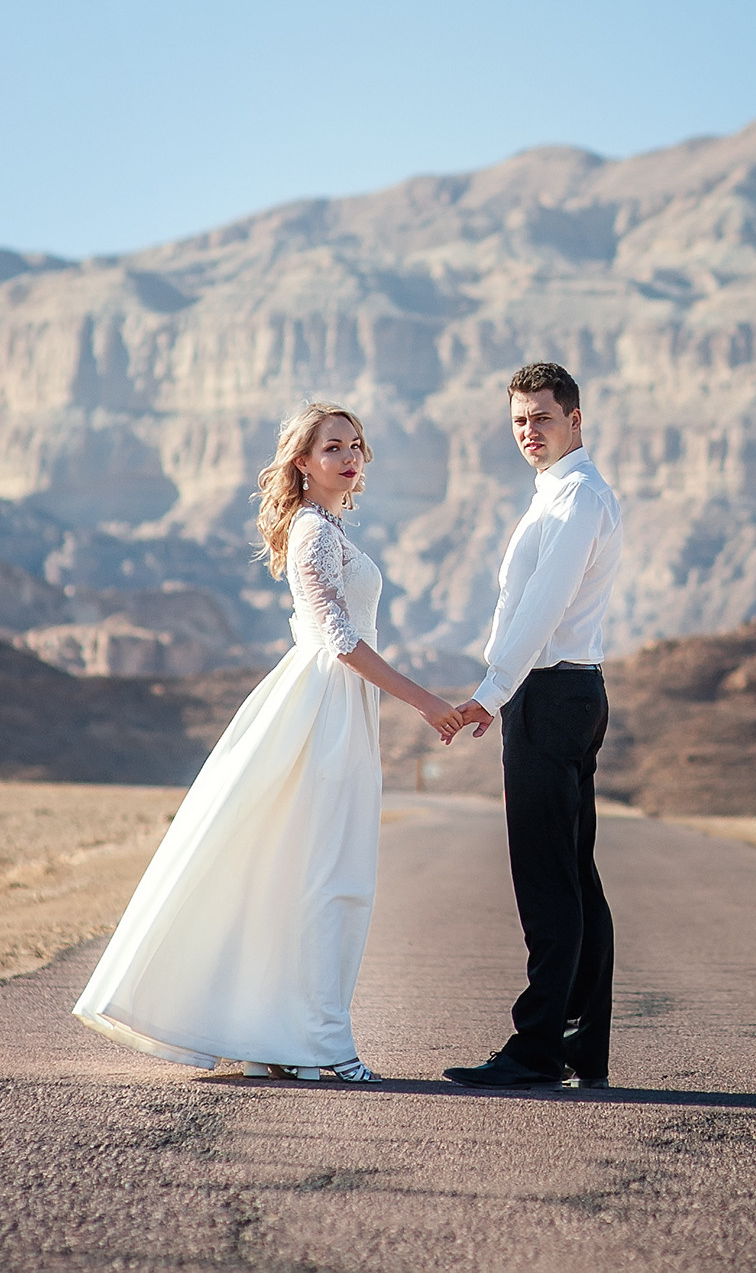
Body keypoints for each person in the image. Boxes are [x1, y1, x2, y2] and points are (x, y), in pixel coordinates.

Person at [73, 402, 464, 1082]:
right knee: (328, 875)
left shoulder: (329, 527)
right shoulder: (313, 530)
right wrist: (427, 703)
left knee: (308, 872)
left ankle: (277, 1037)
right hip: (321, 711)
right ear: (302, 463)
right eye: (332, 447)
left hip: (338, 707)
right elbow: (340, 641)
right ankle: (320, 1044)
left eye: (356, 445)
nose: (349, 456)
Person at [444, 361, 625, 1090]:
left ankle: (537, 1049)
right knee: (573, 874)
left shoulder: (577, 498)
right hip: (562, 692)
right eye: (519, 420)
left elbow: (544, 605)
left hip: (550, 696)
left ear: (575, 419)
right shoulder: (558, 493)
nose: (529, 431)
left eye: (542, 417)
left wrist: (491, 693)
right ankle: (581, 1044)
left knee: (548, 878)